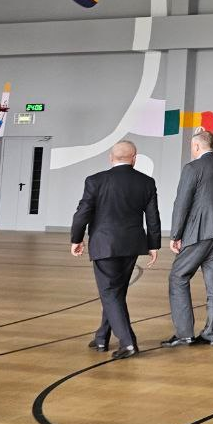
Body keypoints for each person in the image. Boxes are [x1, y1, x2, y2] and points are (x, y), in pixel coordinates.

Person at [68, 141, 159, 360]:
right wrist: (153, 244)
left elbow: (82, 213)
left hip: (104, 244)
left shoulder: (95, 181)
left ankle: (128, 343)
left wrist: (76, 239)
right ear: (134, 158)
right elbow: (153, 217)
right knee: (115, 293)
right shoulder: (146, 182)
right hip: (132, 245)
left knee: (110, 293)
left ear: (111, 158)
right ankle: (102, 337)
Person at [161, 130, 213, 348]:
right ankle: (211, 333)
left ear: (196, 146)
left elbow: (182, 203)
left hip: (199, 233)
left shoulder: (192, 168)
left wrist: (176, 234)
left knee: (178, 277)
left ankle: (184, 333)